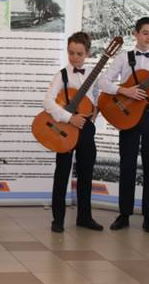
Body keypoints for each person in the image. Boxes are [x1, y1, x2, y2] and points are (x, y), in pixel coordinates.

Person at [98, 17, 149, 233]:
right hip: (128, 115)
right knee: (127, 165)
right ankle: (124, 214)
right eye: (145, 33)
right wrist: (124, 90)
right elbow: (103, 82)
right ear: (136, 34)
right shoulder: (123, 58)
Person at [43, 32, 103, 233]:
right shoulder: (62, 75)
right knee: (62, 173)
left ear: (88, 53)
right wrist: (70, 118)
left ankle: (84, 217)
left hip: (85, 129)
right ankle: (57, 219)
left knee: (86, 174)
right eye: (71, 53)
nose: (75, 57)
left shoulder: (94, 74)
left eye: (79, 53)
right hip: (66, 128)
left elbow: (96, 97)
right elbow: (48, 102)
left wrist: (94, 114)